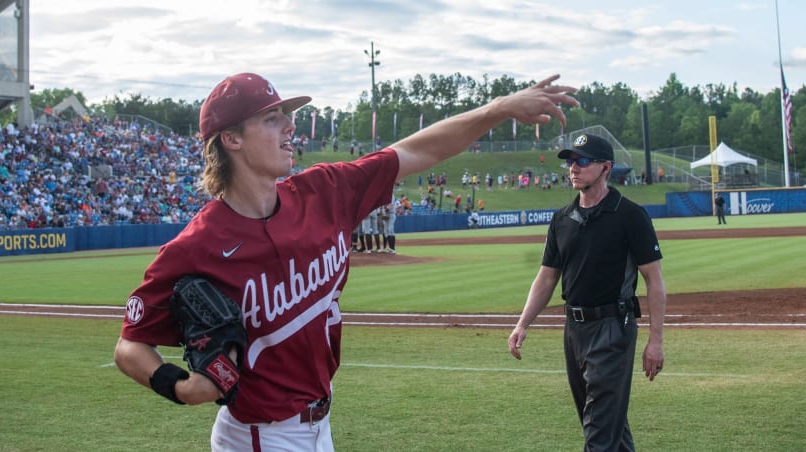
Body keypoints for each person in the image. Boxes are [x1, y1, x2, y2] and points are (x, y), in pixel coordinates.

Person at [115, 72, 577, 451]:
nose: (290, 128)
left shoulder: (324, 191)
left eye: (286, 117)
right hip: (259, 438)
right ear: (231, 138)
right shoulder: (196, 246)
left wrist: (497, 108)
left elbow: (417, 150)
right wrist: (179, 386)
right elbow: (130, 346)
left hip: (319, 425)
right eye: (273, 119)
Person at [508, 133, 666, 452]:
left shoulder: (629, 215)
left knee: (598, 432)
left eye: (582, 161)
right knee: (608, 426)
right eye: (570, 161)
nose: (573, 168)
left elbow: (654, 279)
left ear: (605, 168)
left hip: (613, 329)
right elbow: (547, 277)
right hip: (574, 332)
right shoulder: (562, 219)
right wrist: (522, 324)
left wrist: (656, 341)